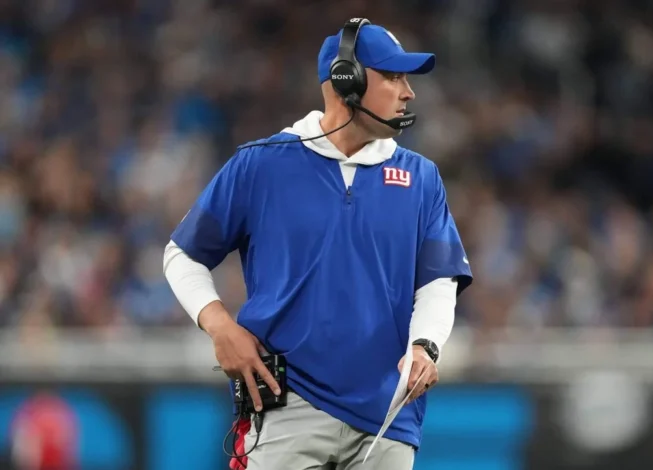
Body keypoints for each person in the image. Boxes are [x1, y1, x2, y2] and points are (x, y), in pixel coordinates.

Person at [163, 18, 472, 470]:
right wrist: (220, 326)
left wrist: (425, 345)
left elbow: (438, 280)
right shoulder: (261, 165)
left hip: (389, 415)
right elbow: (182, 254)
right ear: (347, 80)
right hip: (287, 404)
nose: (408, 92)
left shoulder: (421, 178)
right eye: (393, 76)